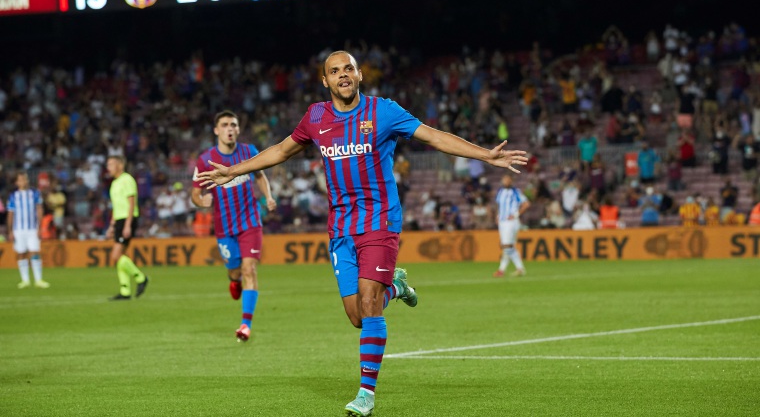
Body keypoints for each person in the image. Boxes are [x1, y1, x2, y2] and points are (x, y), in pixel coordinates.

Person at [196, 51, 528, 417]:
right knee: (357, 315)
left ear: (359, 75)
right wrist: (233, 171)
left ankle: (366, 395)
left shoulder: (383, 112)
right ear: (325, 81)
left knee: (370, 304)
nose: (343, 75)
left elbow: (433, 137)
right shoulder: (316, 116)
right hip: (340, 228)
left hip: (379, 221)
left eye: (348, 69)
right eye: (335, 71)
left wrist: (485, 155)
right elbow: (281, 150)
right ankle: (397, 288)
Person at [191, 110, 277, 342]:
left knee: (250, 269)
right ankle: (234, 280)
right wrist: (201, 202)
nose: (230, 129)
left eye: (234, 124)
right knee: (235, 271)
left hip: (250, 221)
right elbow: (195, 193)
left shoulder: (248, 152)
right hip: (224, 226)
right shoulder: (205, 159)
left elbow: (260, 175)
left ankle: (245, 325)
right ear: (216, 130)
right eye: (225, 125)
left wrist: (268, 196)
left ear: (238, 129)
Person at [105, 155, 149, 301]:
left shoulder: (127, 179)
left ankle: (140, 277)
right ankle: (125, 291)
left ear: (120, 165)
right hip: (118, 220)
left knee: (115, 256)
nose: (108, 167)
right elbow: (116, 206)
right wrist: (111, 226)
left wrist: (128, 224)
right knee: (119, 257)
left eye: (111, 164)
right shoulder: (114, 183)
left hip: (126, 219)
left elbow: (132, 203)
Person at [7, 172, 49, 289]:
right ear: (17, 182)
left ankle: (38, 280)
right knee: (21, 253)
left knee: (34, 252)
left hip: (32, 228)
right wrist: (10, 230)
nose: (23, 182)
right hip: (18, 229)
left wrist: (40, 227)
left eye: (25, 179)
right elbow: (11, 214)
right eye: (21, 180)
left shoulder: (34, 193)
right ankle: (25, 280)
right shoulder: (13, 196)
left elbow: (39, 210)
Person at [493, 174, 530, 277]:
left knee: (507, 246)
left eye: (508, 180)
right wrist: (498, 215)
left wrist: (515, 215)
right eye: (504, 179)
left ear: (511, 181)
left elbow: (526, 204)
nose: (506, 181)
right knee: (507, 247)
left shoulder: (515, 192)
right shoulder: (500, 192)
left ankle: (504, 270)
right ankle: (516, 269)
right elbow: (499, 205)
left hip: (511, 222)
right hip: (502, 221)